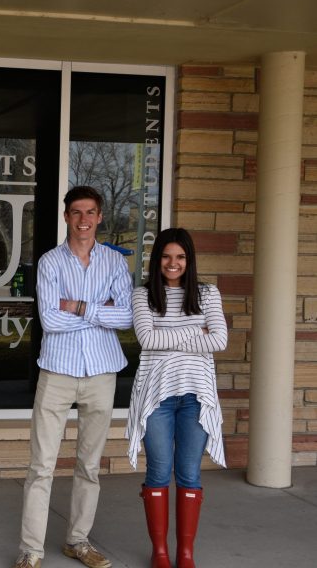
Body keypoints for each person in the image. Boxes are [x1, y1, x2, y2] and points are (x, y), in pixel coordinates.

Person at [15, 186, 133, 568]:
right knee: (41, 466)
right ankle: (31, 551)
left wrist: (78, 306)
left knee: (89, 465)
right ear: (66, 217)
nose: (84, 220)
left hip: (101, 371)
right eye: (77, 213)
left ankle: (77, 541)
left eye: (91, 213)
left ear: (100, 218)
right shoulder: (50, 262)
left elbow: (127, 317)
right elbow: (50, 320)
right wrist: (101, 311)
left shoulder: (115, 263)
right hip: (58, 371)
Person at [127, 227, 227, 568]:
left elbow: (219, 341)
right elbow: (146, 340)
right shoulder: (143, 296)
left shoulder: (207, 294)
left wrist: (168, 335)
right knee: (158, 472)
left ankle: (185, 554)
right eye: (167, 257)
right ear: (158, 260)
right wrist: (193, 332)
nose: (173, 263)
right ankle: (160, 553)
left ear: (189, 260)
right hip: (157, 396)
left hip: (196, 396)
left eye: (180, 257)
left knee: (188, 474)